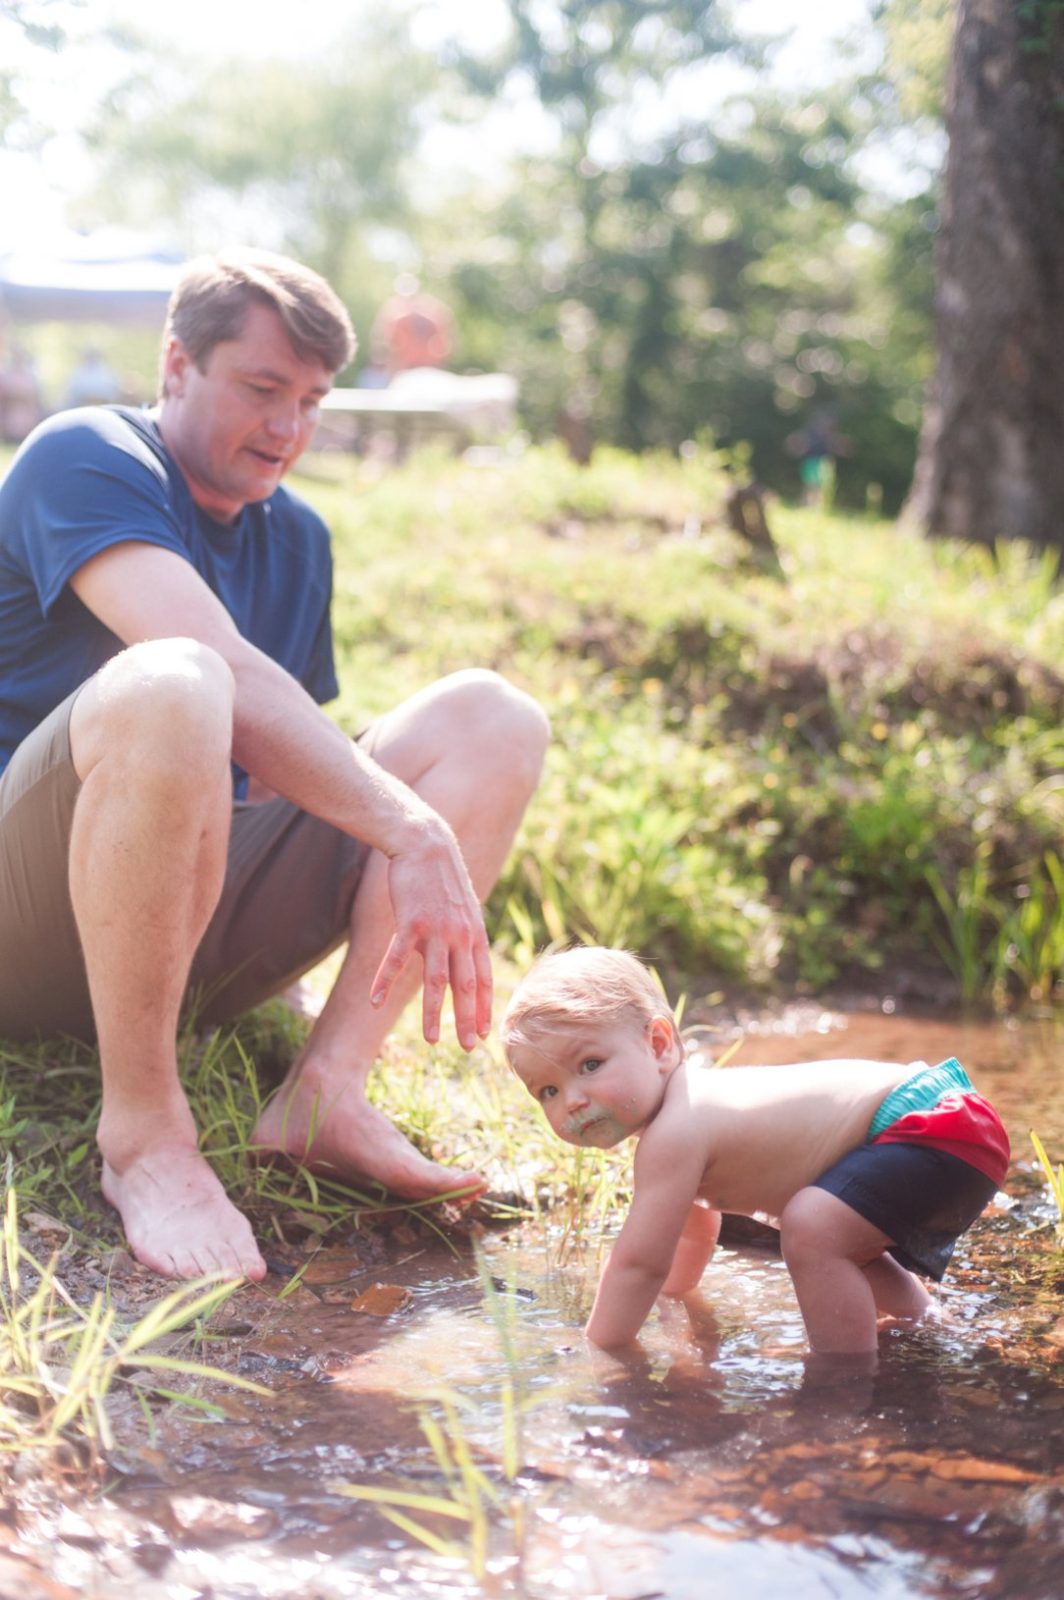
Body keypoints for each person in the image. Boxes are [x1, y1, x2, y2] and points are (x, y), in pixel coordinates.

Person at [0, 248, 549, 1284]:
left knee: (493, 716)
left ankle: (323, 1097)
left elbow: (260, 777)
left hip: (171, 937)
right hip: (19, 922)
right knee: (175, 678)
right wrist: (410, 829)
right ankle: (146, 1137)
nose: (289, 429)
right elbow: (225, 691)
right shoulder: (82, 454)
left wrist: (289, 977)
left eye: (310, 399)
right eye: (261, 389)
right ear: (175, 365)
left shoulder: (296, 538)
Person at [500, 947, 1010, 1358]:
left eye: (589, 1064)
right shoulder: (687, 1120)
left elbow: (638, 1264)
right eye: (547, 1091)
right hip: (944, 1119)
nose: (573, 1100)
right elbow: (692, 1229)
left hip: (929, 1124)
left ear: (658, 1045)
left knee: (812, 1230)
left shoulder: (677, 1129)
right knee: (831, 1237)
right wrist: (677, 1302)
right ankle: (926, 1325)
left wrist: (600, 1350)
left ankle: (846, 1381)